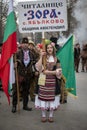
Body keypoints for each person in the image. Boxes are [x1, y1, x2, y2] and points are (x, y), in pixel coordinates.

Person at [34, 42, 62, 123]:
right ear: (45, 49)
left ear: (53, 49)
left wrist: (49, 72)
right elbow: (39, 69)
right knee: (42, 97)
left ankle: (51, 115)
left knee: (52, 99)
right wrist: (40, 56)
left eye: (51, 48)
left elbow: (59, 71)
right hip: (43, 81)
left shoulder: (57, 59)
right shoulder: (43, 58)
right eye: (48, 48)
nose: (49, 49)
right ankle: (43, 115)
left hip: (53, 82)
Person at [12, 37, 36, 113]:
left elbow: (34, 63)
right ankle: (14, 106)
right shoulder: (17, 53)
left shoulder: (32, 53)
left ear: (28, 45)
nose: (25, 45)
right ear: (21, 44)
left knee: (26, 91)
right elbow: (13, 62)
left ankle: (25, 105)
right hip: (19, 74)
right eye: (24, 43)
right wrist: (14, 64)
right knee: (16, 91)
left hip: (28, 75)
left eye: (26, 43)